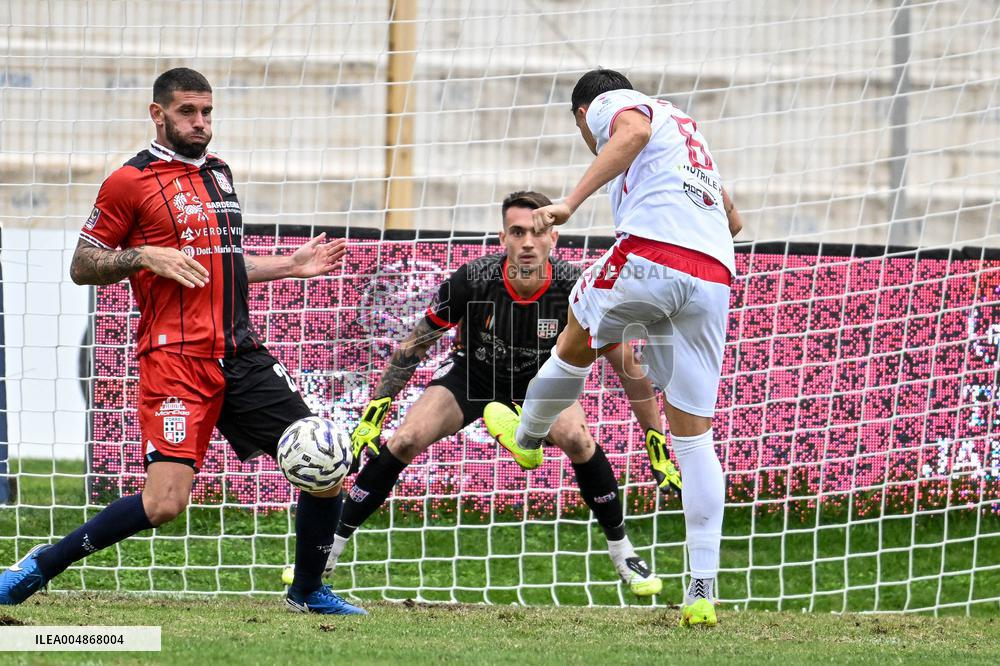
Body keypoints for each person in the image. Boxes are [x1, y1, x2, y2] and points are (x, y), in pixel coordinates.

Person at [0, 68, 365, 615]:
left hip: (241, 354)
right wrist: (142, 256)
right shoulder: (130, 181)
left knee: (323, 461)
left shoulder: (220, 174)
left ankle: (307, 590)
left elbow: (218, 267)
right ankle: (39, 566)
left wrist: (289, 265)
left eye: (207, 112)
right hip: (175, 360)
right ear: (158, 114)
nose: (201, 123)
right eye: (188, 112)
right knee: (164, 503)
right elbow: (82, 265)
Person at [323, 190, 681, 596]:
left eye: (537, 231)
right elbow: (415, 345)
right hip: (474, 376)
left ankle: (623, 553)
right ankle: (329, 548)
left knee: (579, 440)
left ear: (554, 238)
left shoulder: (578, 289)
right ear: (503, 238)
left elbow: (630, 370)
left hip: (543, 383)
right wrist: (375, 414)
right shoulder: (472, 280)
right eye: (517, 232)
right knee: (405, 439)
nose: (527, 242)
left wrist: (656, 440)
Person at [484, 70, 743, 627]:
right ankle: (702, 591)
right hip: (714, 277)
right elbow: (735, 219)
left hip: (654, 255)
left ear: (583, 113)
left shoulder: (614, 104)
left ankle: (528, 437)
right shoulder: (691, 134)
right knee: (695, 440)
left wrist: (570, 203)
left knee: (576, 327)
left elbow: (630, 135)